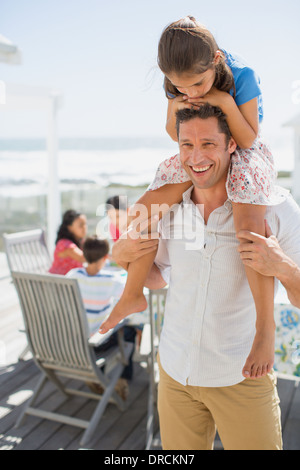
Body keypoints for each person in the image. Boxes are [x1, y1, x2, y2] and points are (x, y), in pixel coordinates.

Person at [100, 17, 284, 380]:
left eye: (199, 83)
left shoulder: (242, 74)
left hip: (241, 152)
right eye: (181, 86)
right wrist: (177, 101)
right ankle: (132, 292)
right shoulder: (178, 83)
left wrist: (221, 100)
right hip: (202, 149)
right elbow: (174, 132)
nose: (193, 93)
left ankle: (265, 329)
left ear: (216, 60)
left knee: (250, 230)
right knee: (144, 213)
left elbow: (248, 137)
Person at [110, 105, 300, 450]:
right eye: (187, 145)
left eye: (209, 144)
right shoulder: (169, 207)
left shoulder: (276, 209)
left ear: (231, 145)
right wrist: (121, 257)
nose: (196, 157)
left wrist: (283, 267)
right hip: (174, 371)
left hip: (242, 376)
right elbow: (157, 278)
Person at [66, 236, 136, 399]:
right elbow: (130, 294)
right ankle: (121, 379)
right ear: (106, 257)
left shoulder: (72, 275)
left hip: (73, 341)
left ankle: (97, 377)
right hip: (95, 344)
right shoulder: (111, 280)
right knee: (129, 330)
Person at [49, 209, 87, 275]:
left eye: (85, 224)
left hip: (71, 281)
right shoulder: (64, 244)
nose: (84, 228)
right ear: (70, 227)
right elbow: (84, 258)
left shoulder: (80, 241)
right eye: (81, 225)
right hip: (58, 282)